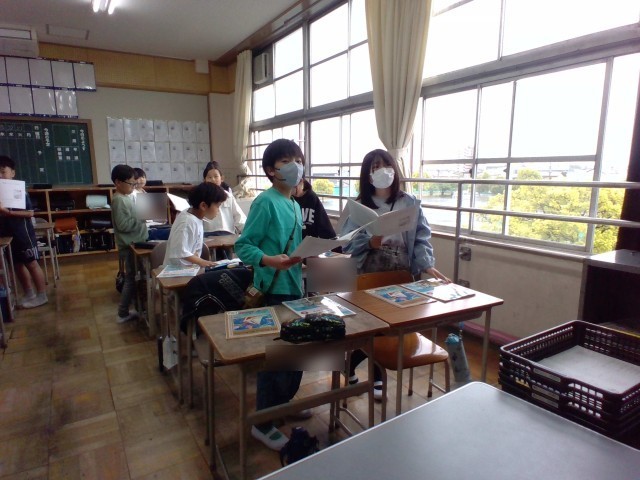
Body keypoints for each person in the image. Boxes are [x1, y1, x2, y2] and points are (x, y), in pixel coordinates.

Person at [340, 149, 450, 399]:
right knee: (374, 327)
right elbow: (346, 242)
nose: (382, 171)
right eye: (375, 167)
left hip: (400, 271)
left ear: (394, 169)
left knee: (392, 326)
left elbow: (421, 237)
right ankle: (376, 376)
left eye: (386, 165)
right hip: (369, 272)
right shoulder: (358, 206)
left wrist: (427, 264)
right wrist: (369, 242)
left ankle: (352, 363)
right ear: (367, 175)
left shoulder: (409, 202)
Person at [234, 139, 305, 451]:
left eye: (298, 160)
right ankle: (262, 423)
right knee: (275, 359)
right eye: (286, 161)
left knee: (295, 355)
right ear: (270, 170)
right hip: (273, 288)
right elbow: (243, 245)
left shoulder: (295, 205)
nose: (295, 166)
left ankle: (282, 406)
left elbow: (293, 249)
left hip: (295, 287)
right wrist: (269, 259)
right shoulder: (265, 202)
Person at [0, 156, 48, 309]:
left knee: (31, 263)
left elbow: (30, 213)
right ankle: (29, 293)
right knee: (17, 264)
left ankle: (42, 295)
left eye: (3, 172)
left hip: (23, 233)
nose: (0, 176)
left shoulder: (19, 190)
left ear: (12, 173)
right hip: (6, 235)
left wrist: (8, 212)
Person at [111, 164, 149, 323]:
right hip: (130, 246)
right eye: (131, 184)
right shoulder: (119, 200)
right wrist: (141, 217)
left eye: (134, 183)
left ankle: (140, 307)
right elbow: (123, 225)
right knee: (131, 279)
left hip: (138, 242)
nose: (134, 187)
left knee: (137, 277)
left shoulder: (127, 196)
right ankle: (123, 312)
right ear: (118, 182)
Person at [163, 182, 227, 267]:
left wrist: (197, 257)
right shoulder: (186, 222)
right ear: (203, 206)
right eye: (218, 206)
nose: (219, 210)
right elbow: (179, 251)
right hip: (176, 271)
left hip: (189, 269)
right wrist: (203, 262)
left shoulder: (196, 216)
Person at [202, 161, 246, 235]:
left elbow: (239, 217)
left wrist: (248, 231)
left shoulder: (228, 196)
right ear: (204, 180)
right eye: (209, 177)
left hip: (227, 234)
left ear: (221, 178)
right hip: (208, 235)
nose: (213, 179)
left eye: (216, 176)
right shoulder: (201, 196)